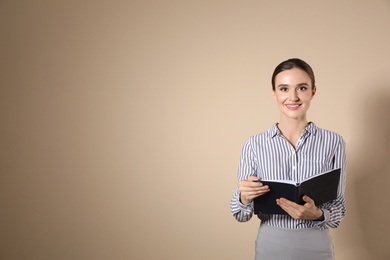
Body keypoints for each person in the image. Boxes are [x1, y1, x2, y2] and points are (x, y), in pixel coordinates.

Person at [230, 58, 346, 260]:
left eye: (301, 88)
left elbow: (338, 208)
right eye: (284, 89)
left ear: (313, 92)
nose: (293, 97)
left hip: (316, 245)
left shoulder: (333, 141)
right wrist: (244, 198)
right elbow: (240, 214)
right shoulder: (254, 144)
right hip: (271, 244)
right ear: (274, 93)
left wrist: (318, 215)